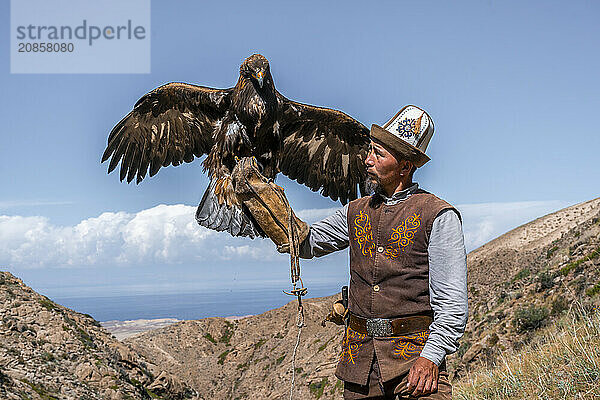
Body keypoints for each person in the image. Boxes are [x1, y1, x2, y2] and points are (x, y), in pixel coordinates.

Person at [295, 105, 468, 399]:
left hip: (415, 364)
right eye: (370, 151)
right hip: (358, 366)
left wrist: (431, 358)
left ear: (404, 167)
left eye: (379, 154)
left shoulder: (438, 215)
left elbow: (452, 306)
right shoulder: (354, 211)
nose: (367, 160)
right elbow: (307, 243)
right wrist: (267, 211)